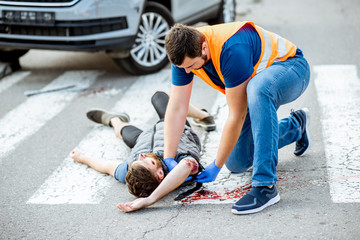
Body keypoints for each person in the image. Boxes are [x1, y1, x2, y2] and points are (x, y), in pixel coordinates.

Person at [163, 21, 311, 214]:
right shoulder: (183, 57)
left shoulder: (231, 49)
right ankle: (295, 126)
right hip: (253, 90)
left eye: (191, 66)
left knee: (258, 89)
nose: (188, 72)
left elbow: (237, 114)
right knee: (236, 162)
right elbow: (177, 108)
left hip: (292, 69)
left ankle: (265, 186)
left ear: (204, 47)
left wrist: (216, 165)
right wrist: (168, 157)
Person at [71, 91, 212, 210]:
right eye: (148, 162)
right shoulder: (179, 165)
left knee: (122, 132)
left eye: (139, 160)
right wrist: (150, 199)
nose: (141, 156)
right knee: (160, 96)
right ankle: (204, 116)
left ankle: (114, 119)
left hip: (142, 140)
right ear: (160, 174)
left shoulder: (133, 170)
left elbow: (106, 167)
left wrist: (82, 158)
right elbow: (187, 166)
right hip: (172, 125)